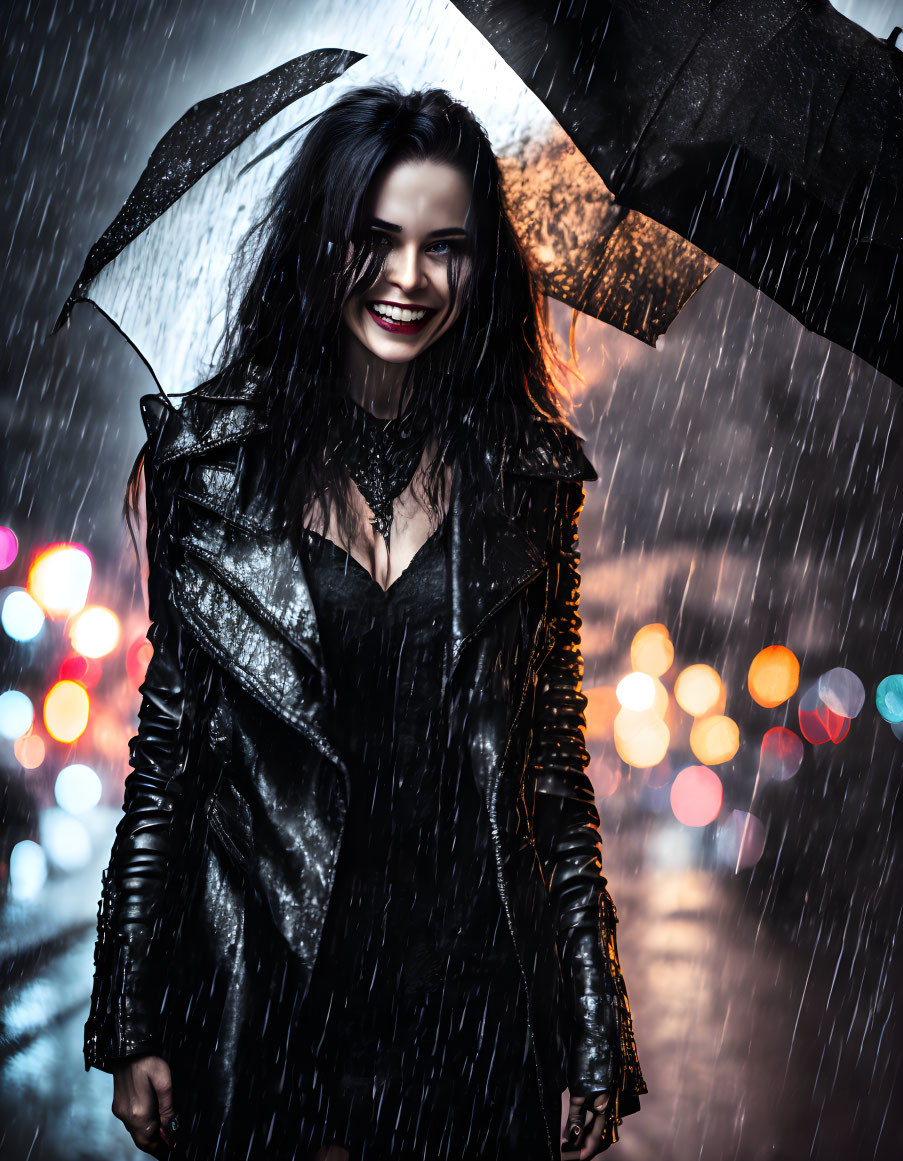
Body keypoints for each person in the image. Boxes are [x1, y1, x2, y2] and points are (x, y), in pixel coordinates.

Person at [84, 83, 646, 1161]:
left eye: (448, 247)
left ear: (484, 269)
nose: (409, 279)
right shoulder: (209, 467)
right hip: (267, 988)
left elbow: (551, 774)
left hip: (469, 1000)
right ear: (319, 247)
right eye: (375, 239)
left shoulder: (527, 479)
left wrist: (587, 1030)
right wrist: (134, 1015)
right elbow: (171, 756)